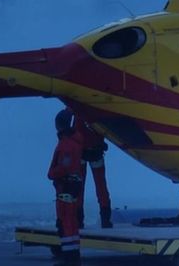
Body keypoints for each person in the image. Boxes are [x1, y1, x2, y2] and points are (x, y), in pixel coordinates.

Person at [48, 109, 85, 263]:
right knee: (72, 223)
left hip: (65, 188)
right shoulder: (74, 143)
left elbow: (64, 167)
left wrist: (52, 174)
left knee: (67, 222)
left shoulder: (66, 145)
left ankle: (70, 257)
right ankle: (73, 254)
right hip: (72, 187)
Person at [77, 120, 113, 229]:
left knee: (79, 187)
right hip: (95, 151)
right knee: (101, 187)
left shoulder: (76, 111)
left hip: (81, 152)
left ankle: (78, 221)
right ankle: (105, 220)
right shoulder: (94, 115)